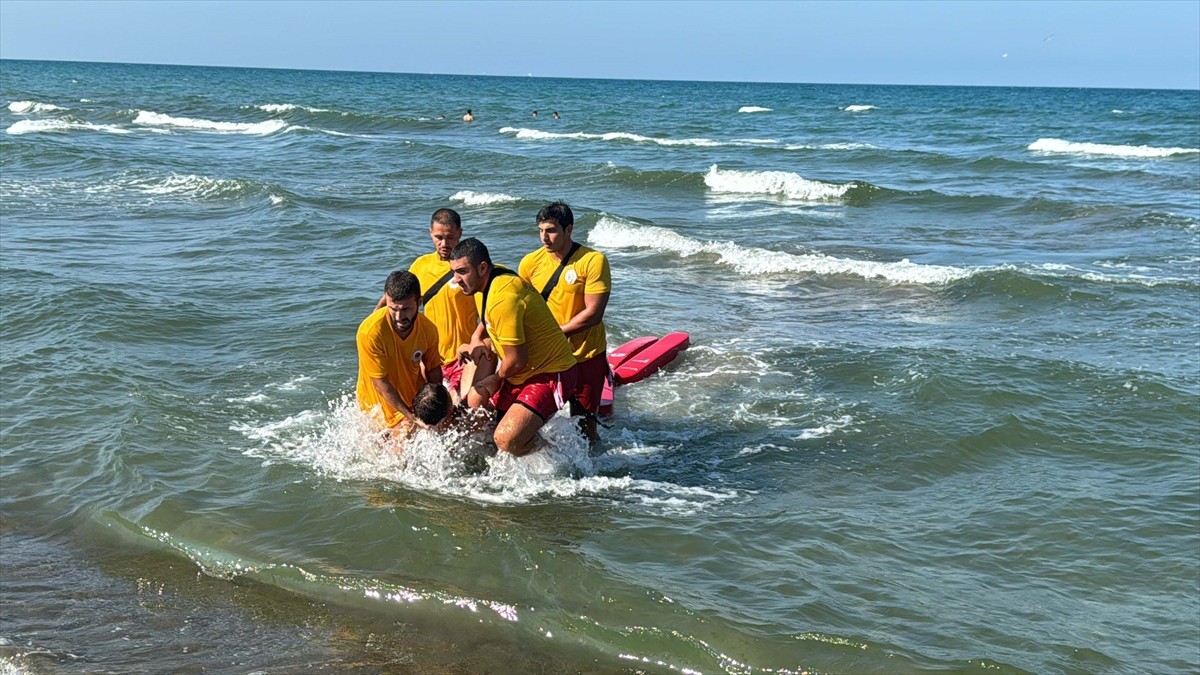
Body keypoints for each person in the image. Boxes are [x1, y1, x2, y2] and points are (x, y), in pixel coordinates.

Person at [449, 238, 578, 456]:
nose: (456, 279)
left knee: (506, 440)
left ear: (482, 268)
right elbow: (488, 319)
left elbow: (517, 359)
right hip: (521, 373)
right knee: (487, 430)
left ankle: (559, 458)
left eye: (462, 271)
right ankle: (528, 439)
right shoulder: (492, 278)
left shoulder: (503, 298)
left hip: (552, 373)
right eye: (454, 271)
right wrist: (476, 338)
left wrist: (494, 379)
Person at [518, 202, 611, 443]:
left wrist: (556, 334)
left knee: (586, 428)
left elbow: (594, 313)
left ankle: (594, 473)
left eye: (551, 230)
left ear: (569, 229)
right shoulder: (530, 263)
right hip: (548, 359)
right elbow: (520, 308)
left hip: (585, 355)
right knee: (533, 422)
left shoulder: (593, 261)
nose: (544, 238)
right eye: (540, 230)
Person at [377, 208, 478, 396]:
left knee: (457, 411)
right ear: (430, 233)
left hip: (462, 356)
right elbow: (395, 296)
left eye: (451, 237)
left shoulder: (469, 268)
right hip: (429, 356)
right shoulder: (421, 265)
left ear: (460, 233)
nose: (444, 243)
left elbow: (488, 312)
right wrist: (374, 326)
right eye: (439, 237)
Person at [357, 271, 443, 434]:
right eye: (393, 309)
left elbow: (433, 371)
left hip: (412, 398)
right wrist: (411, 416)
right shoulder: (370, 332)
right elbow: (380, 384)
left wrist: (437, 407)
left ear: (419, 302)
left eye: (405, 309)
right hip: (376, 405)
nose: (398, 317)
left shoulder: (428, 330)